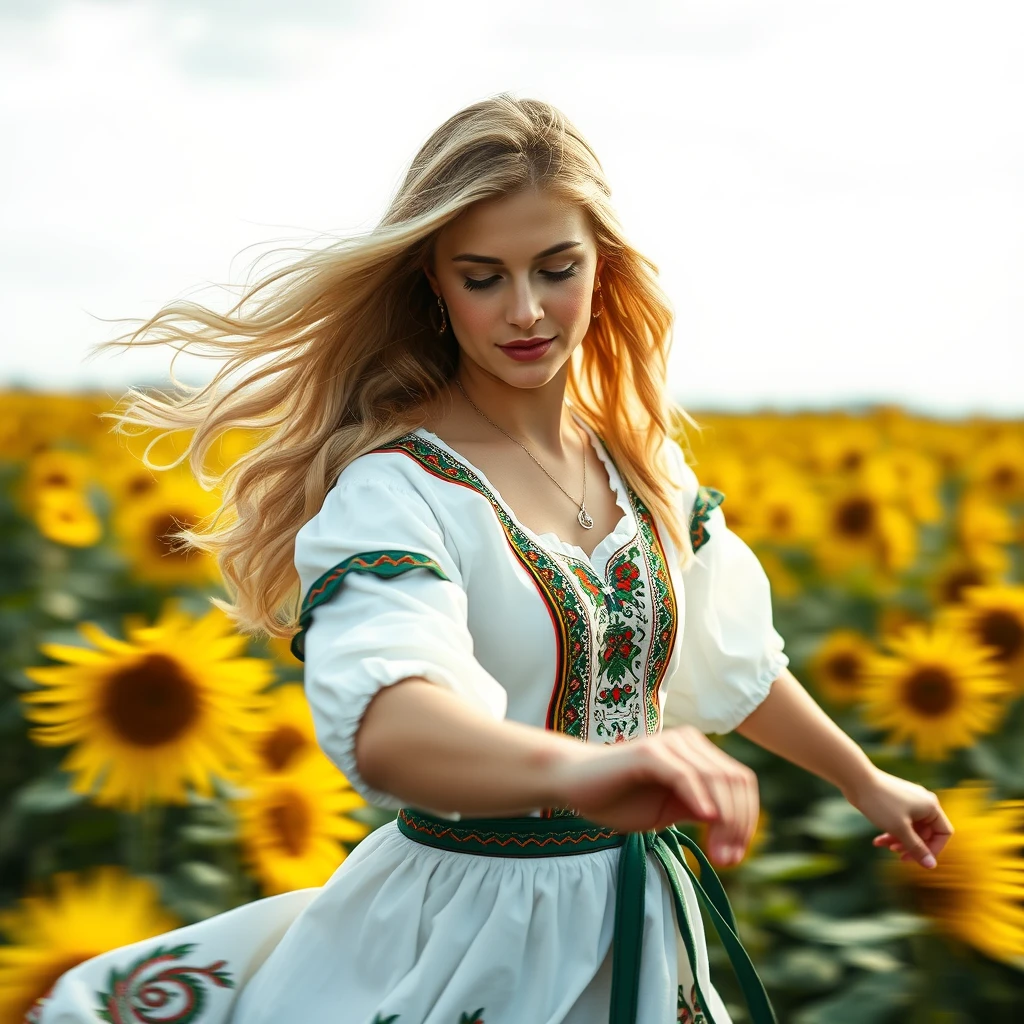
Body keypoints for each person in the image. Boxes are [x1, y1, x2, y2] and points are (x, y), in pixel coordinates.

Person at [34, 93, 953, 1024]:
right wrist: (578, 772)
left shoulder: (640, 463)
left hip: (639, 923)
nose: (524, 311)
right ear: (433, 282)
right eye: (482, 277)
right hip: (473, 935)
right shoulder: (398, 490)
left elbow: (728, 660)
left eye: (557, 269)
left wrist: (862, 780)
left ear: (605, 269)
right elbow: (391, 723)